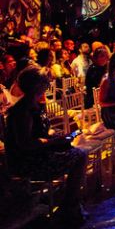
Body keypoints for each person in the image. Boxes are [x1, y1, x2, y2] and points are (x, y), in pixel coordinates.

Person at [4, 66, 87, 225]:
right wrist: (53, 142)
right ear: (37, 86)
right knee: (80, 156)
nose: (48, 84)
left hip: (38, 154)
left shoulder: (34, 104)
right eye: (45, 82)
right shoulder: (22, 111)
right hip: (27, 162)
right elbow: (25, 143)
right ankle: (69, 205)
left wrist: (55, 135)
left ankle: (70, 202)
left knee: (74, 150)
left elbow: (41, 131)